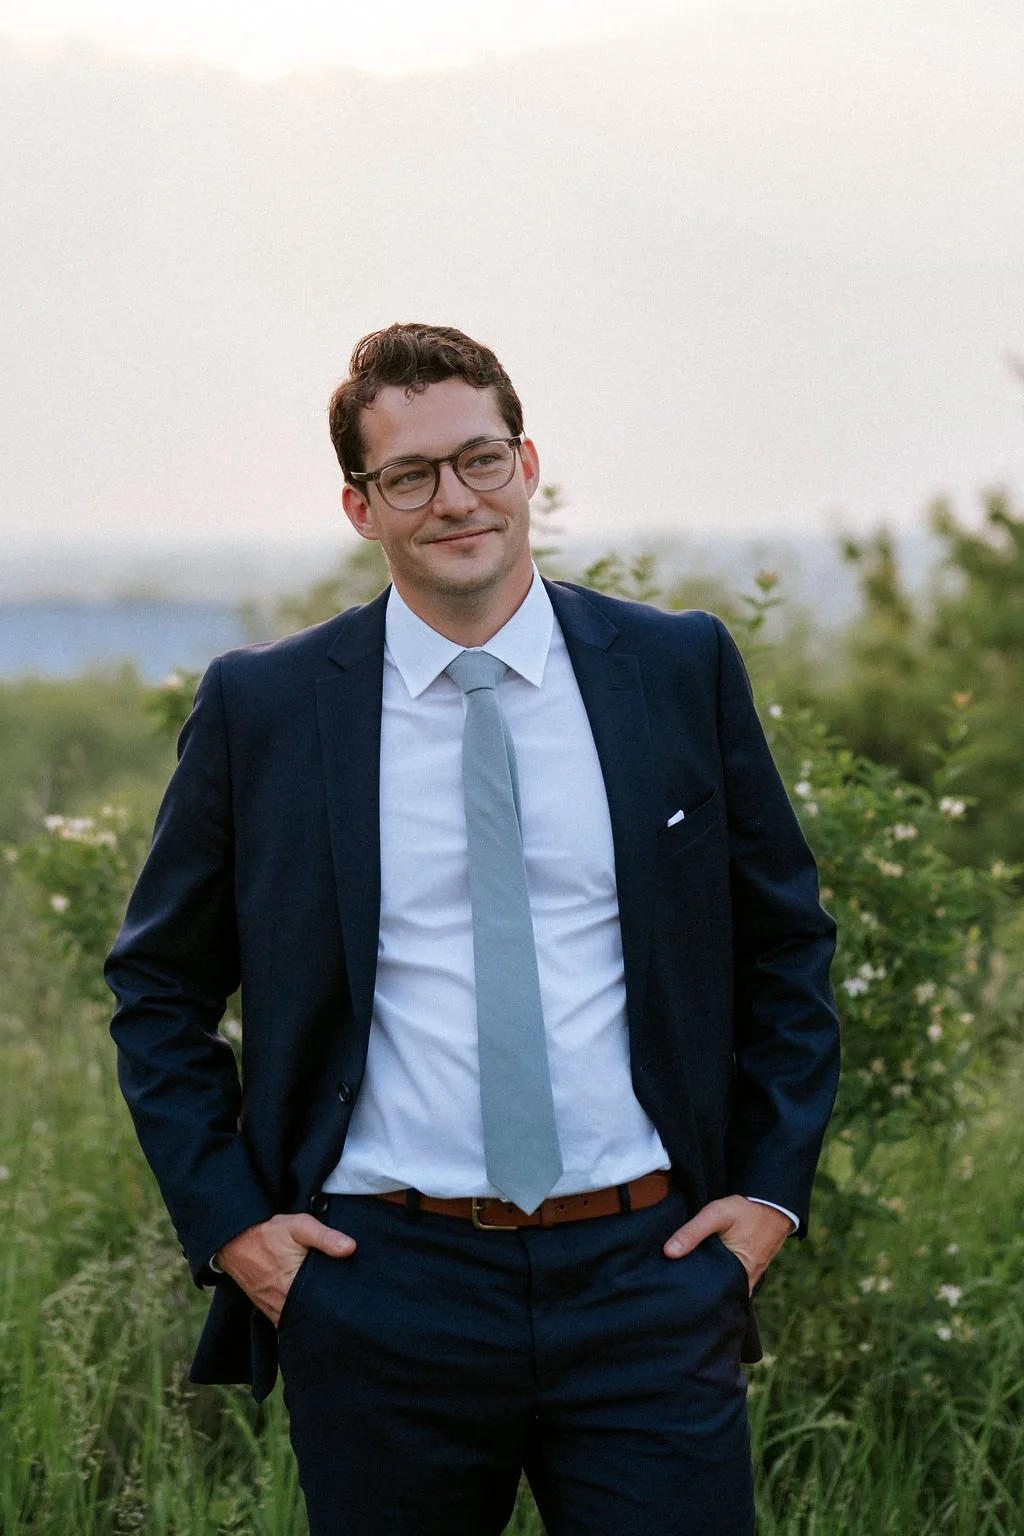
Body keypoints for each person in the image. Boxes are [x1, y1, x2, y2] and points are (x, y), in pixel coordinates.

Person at [106, 322, 840, 1536]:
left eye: (480, 459)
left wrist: (766, 1200)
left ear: (528, 462)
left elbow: (783, 946)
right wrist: (237, 1229)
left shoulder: (675, 668)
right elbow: (159, 990)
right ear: (361, 505)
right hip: (381, 1286)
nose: (457, 499)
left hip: (647, 1278)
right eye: (412, 475)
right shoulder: (270, 708)